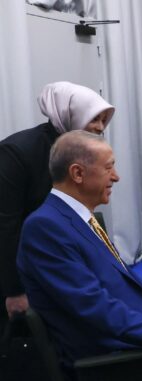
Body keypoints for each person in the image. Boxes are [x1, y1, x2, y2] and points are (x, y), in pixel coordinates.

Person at [16, 131, 142, 372]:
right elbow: (94, 305)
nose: (116, 177)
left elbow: (120, 285)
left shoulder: (78, 218)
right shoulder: (45, 228)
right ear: (77, 173)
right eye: (108, 168)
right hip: (119, 356)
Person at [0, 81, 114, 322]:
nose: (100, 128)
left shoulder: (83, 153)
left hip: (58, 261)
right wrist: (14, 290)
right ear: (69, 114)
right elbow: (5, 227)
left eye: (104, 121)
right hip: (21, 267)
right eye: (94, 119)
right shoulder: (16, 152)